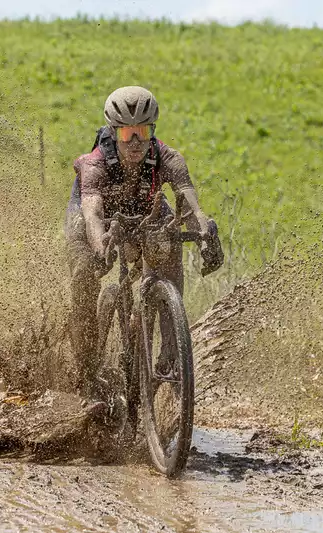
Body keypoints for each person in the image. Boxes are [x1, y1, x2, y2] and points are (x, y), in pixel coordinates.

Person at [64, 86, 224, 405]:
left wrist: (205, 232)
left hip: (145, 209)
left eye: (143, 131)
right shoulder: (93, 164)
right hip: (94, 216)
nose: (135, 142)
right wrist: (101, 243)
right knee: (85, 273)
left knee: (170, 240)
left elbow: (188, 202)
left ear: (152, 130)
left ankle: (169, 349)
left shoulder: (167, 158)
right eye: (127, 133)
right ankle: (85, 371)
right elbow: (93, 211)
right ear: (114, 131)